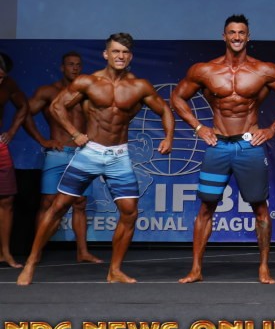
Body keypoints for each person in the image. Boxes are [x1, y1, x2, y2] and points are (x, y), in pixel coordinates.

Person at [17, 33, 174, 285]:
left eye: (125, 52)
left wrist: (168, 137)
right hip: (90, 153)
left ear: (130, 56)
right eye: (115, 51)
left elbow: (164, 109)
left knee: (129, 212)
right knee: (59, 206)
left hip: (119, 155)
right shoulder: (88, 82)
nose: (120, 56)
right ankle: (31, 262)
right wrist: (74, 133)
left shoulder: (139, 86)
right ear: (106, 54)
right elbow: (57, 106)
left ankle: (115, 270)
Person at [171, 14, 275, 285]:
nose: (237, 37)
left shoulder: (263, 70)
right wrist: (198, 127)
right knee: (206, 206)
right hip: (218, 144)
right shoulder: (205, 70)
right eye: (232, 32)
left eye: (241, 32)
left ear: (248, 37)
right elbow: (177, 97)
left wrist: (272, 129)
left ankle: (264, 268)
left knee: (260, 207)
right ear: (224, 36)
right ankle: (196, 269)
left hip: (248, 145)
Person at [22, 51, 102, 264]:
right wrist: (42, 140)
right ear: (62, 67)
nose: (75, 68)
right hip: (57, 153)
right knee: (48, 202)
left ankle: (82, 252)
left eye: (78, 64)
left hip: (81, 154)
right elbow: (24, 112)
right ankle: (37, 252)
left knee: (80, 203)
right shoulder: (48, 92)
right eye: (70, 64)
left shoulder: (87, 93)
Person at [0, 54, 29, 268]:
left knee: (7, 200)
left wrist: (11, 131)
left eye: (2, 77)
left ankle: (5, 253)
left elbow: (24, 106)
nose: (0, 80)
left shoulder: (8, 84)